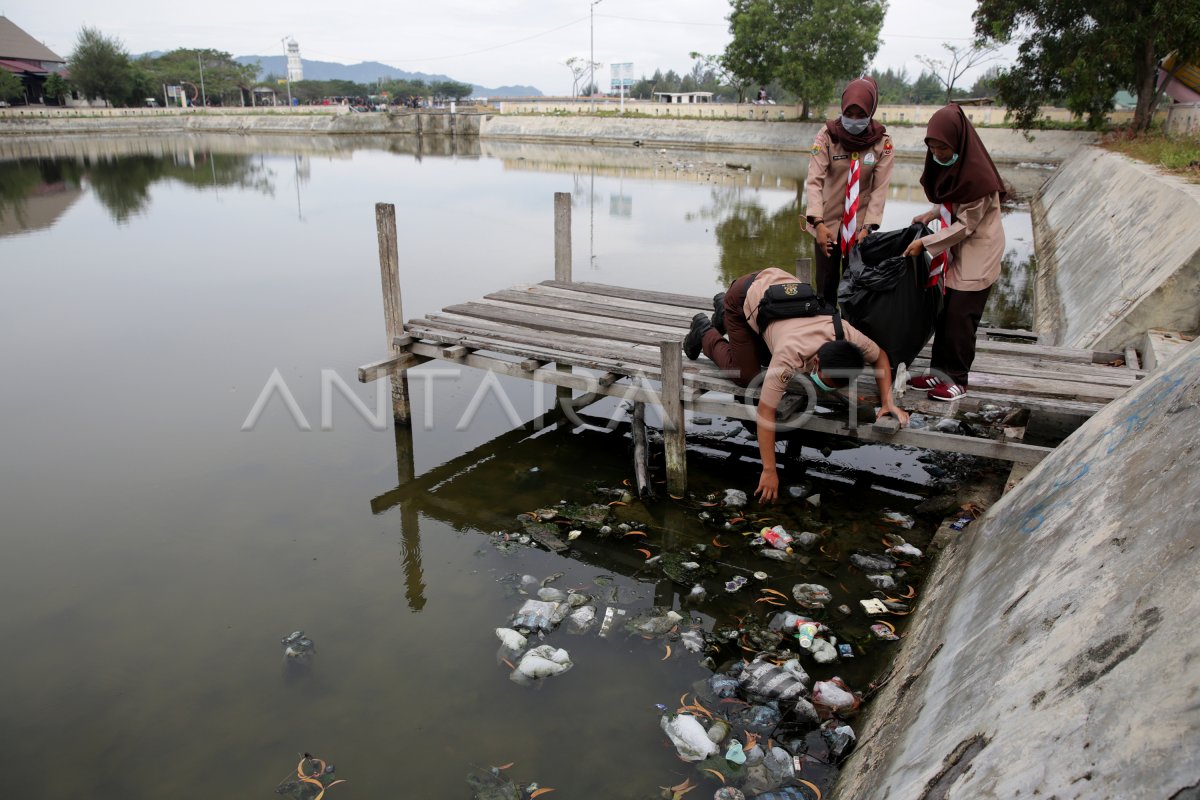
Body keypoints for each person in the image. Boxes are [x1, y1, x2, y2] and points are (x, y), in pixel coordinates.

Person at [684, 268, 909, 503]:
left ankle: (723, 311)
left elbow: (880, 357)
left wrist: (887, 402)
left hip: (774, 295)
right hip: (743, 295)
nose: (826, 388)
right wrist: (769, 470)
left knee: (762, 355)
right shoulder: (789, 355)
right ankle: (705, 330)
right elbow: (765, 412)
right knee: (747, 376)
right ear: (817, 361)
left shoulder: (846, 333)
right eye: (826, 381)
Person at [902, 103, 1006, 401]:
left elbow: (966, 225)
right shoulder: (953, 169)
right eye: (932, 147)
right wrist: (932, 214)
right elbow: (952, 202)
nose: (938, 154)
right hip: (956, 250)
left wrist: (925, 243)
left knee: (961, 318)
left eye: (943, 148)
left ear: (958, 141)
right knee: (944, 314)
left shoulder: (980, 179)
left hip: (978, 253)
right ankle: (939, 372)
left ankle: (958, 380)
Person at [804, 76, 895, 307]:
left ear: (871, 112)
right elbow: (814, 181)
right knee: (826, 287)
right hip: (827, 225)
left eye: (860, 115)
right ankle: (826, 333)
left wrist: (867, 227)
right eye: (849, 114)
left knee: (856, 289)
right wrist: (819, 223)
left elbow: (879, 190)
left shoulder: (882, 143)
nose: (854, 120)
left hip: (860, 229)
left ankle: (851, 337)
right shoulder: (827, 135)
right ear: (842, 109)